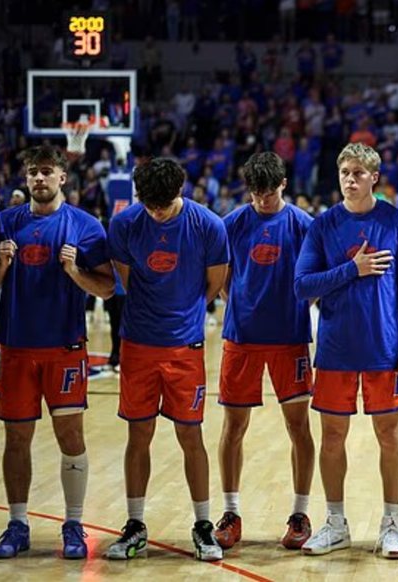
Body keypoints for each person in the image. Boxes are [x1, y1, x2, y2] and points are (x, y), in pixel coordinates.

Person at [294, 143, 398, 559]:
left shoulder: (396, 223)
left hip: (384, 349)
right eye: (344, 172)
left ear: (374, 178)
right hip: (335, 349)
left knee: (390, 436)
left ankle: (391, 523)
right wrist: (354, 269)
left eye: (357, 173)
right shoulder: (323, 226)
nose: (349, 180)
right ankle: (335, 523)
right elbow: (302, 286)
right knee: (332, 438)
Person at [0, 145, 113, 559]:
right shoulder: (5, 224)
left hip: (64, 347)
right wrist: (0, 269)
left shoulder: (86, 226)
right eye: (31, 173)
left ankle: (74, 524)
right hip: (18, 347)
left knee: (70, 436)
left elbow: (108, 287)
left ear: (62, 177)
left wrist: (76, 271)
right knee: (17, 439)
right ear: (25, 179)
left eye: (46, 172)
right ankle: (17, 524)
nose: (38, 179)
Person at [106, 157, 229, 562]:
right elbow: (125, 279)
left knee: (190, 436)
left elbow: (214, 283)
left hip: (185, 347)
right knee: (137, 436)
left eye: (164, 205)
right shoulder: (125, 224)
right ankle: (135, 523)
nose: (156, 213)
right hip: (139, 344)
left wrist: (184, 315)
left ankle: (203, 524)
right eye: (150, 206)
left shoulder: (208, 225)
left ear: (182, 192)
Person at [213, 152, 316, 550]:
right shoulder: (232, 224)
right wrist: (239, 302)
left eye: (269, 194)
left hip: (289, 339)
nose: (262, 201)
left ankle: (300, 513)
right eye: (256, 195)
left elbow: (314, 282)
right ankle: (231, 511)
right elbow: (221, 277)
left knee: (298, 427)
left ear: (283, 185)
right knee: (233, 428)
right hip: (241, 338)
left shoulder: (304, 226)